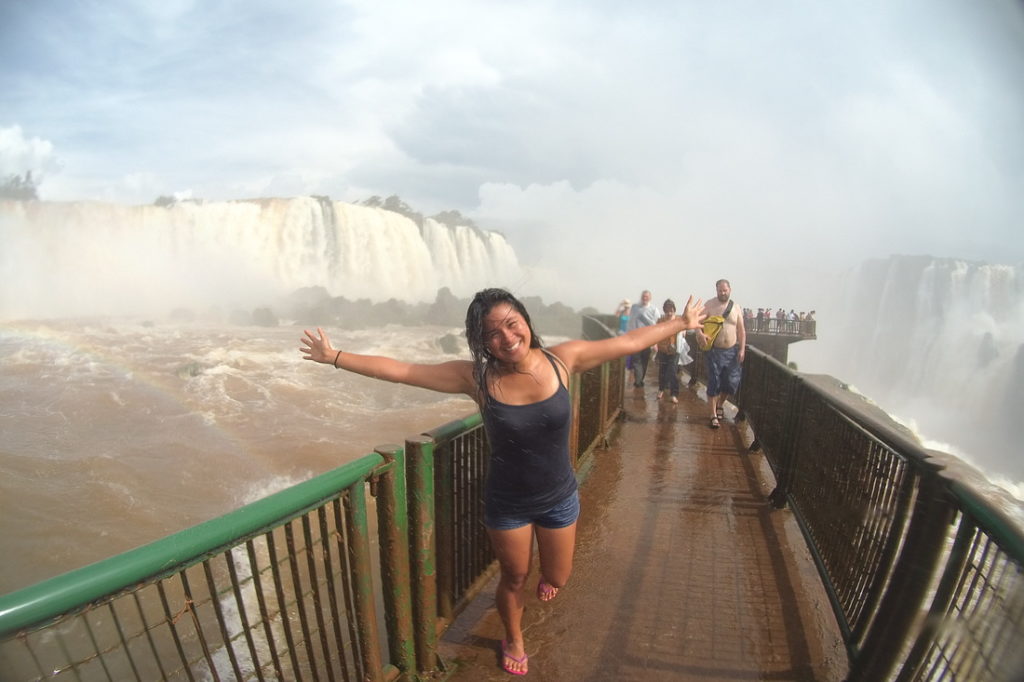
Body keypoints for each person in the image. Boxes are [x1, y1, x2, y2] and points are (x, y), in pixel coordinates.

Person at [300, 288, 706, 676]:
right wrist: (334, 356)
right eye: (492, 333)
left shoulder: (563, 360)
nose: (506, 337)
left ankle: (548, 579)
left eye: (512, 324)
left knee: (558, 577)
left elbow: (630, 342)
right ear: (482, 342)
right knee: (513, 578)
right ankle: (513, 638)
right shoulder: (476, 379)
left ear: (526, 321)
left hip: (560, 497)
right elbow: (404, 371)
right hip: (508, 504)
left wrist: (681, 324)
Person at [696, 279, 746, 429]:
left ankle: (720, 403)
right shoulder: (710, 305)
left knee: (731, 383)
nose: (722, 293)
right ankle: (713, 415)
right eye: (720, 290)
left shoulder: (736, 308)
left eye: (725, 290)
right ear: (716, 290)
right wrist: (700, 334)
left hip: (732, 351)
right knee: (714, 382)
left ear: (730, 290)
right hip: (714, 351)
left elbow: (741, 330)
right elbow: (696, 322)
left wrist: (742, 349)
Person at [627, 290, 658, 387]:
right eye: (643, 296)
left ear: (650, 298)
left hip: (648, 339)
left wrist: (655, 341)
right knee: (637, 361)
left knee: (644, 361)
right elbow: (630, 321)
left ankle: (640, 379)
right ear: (641, 297)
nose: (645, 298)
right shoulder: (635, 307)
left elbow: (657, 326)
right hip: (636, 338)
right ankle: (638, 381)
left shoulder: (654, 310)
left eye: (647, 297)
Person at [655, 299, 682, 403]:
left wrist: (683, 331)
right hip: (662, 349)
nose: (669, 312)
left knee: (672, 372)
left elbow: (685, 327)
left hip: (675, 351)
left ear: (674, 310)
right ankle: (661, 389)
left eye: (671, 310)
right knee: (662, 371)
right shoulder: (660, 320)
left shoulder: (678, 320)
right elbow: (656, 333)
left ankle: (674, 394)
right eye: (667, 310)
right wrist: (655, 345)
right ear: (664, 310)